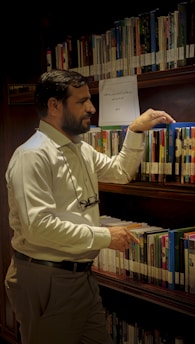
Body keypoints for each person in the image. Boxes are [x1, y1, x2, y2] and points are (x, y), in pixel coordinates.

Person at [4, 69, 175, 344]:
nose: (91, 108)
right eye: (81, 101)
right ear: (54, 105)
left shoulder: (80, 149)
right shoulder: (32, 156)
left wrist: (135, 130)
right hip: (46, 279)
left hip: (81, 278)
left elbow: (120, 172)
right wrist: (106, 237)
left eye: (90, 100)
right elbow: (38, 228)